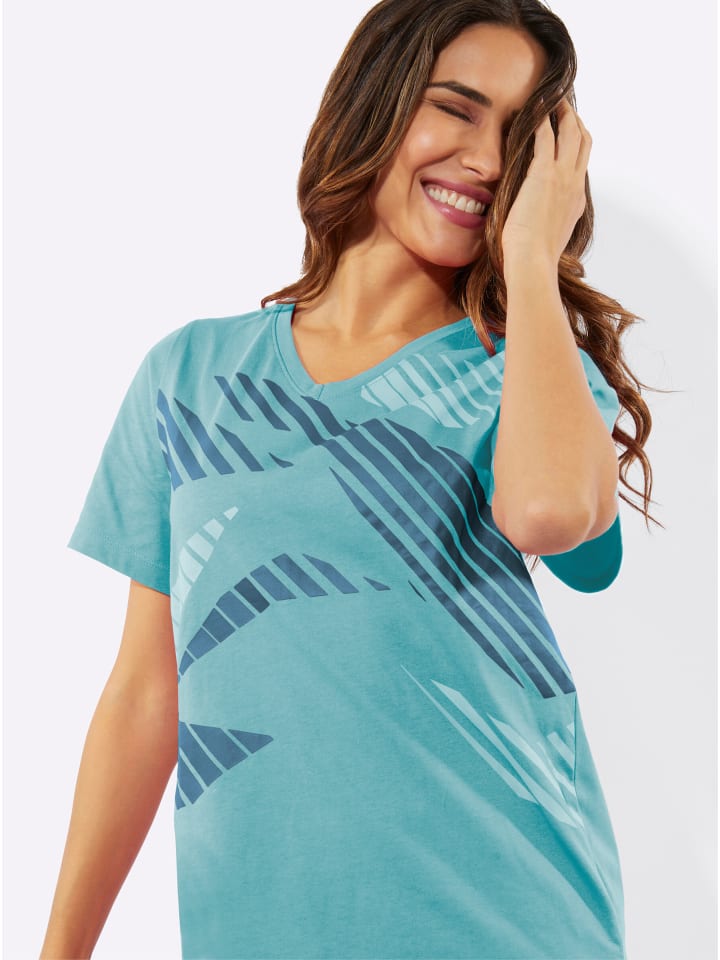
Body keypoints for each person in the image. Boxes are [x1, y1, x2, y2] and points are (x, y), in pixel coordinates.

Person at [40, 0, 659, 957]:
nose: (486, 161)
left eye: (517, 138)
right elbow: (144, 694)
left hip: (506, 923)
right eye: (455, 108)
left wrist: (533, 259)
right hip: (256, 929)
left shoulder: (529, 373)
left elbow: (546, 514)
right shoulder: (191, 376)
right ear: (374, 102)